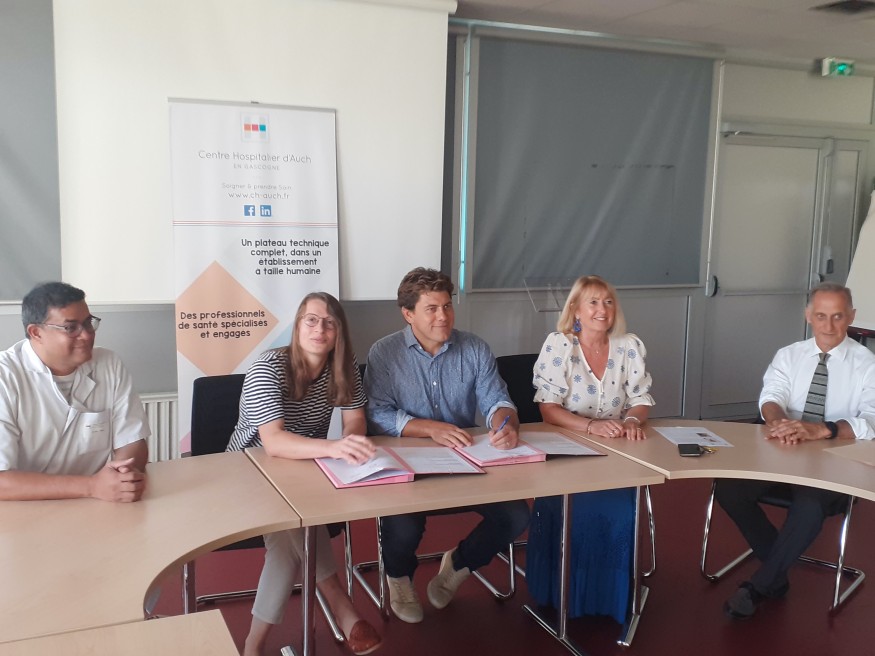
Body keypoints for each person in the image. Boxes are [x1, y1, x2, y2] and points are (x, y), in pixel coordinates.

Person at [364, 267, 530, 623]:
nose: (443, 316)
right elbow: (377, 414)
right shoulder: (384, 353)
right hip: (408, 465)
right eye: (432, 309)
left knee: (515, 515)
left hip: (465, 460)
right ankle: (399, 578)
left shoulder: (474, 347)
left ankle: (458, 564)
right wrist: (430, 429)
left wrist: (505, 423)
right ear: (408, 314)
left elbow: (497, 401)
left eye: (447, 306)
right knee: (403, 526)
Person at [227, 292, 381, 656]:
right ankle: (340, 606)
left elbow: (355, 418)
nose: (319, 329)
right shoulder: (267, 368)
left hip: (305, 468)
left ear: (339, 332)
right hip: (249, 471)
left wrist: (351, 443)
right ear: (297, 326)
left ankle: (253, 646)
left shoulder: (342, 365)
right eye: (311, 320)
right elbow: (274, 442)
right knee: (296, 532)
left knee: (289, 543)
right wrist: (334, 448)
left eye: (329, 322)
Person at [716, 282, 875, 620]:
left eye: (837, 316)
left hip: (836, 458)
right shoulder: (789, 355)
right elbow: (771, 396)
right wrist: (778, 422)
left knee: (810, 506)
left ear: (851, 317)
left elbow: (872, 420)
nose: (828, 326)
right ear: (808, 316)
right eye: (821, 316)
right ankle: (776, 571)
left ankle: (760, 586)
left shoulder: (868, 364)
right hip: (784, 449)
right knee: (729, 489)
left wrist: (824, 429)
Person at [526, 275, 654, 623]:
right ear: (576, 310)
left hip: (616, 449)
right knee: (576, 510)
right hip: (567, 446)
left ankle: (610, 596)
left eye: (608, 302)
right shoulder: (560, 345)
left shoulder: (628, 345)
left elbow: (640, 398)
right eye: (593, 302)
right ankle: (563, 591)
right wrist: (590, 426)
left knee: (621, 511)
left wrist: (632, 421)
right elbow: (548, 409)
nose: (602, 309)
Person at [0, 282, 149, 502]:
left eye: (88, 323)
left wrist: (123, 477)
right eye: (71, 328)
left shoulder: (108, 364)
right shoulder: (5, 376)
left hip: (94, 504)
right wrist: (91, 486)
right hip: (24, 507)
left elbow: (132, 439)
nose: (86, 335)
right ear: (36, 332)